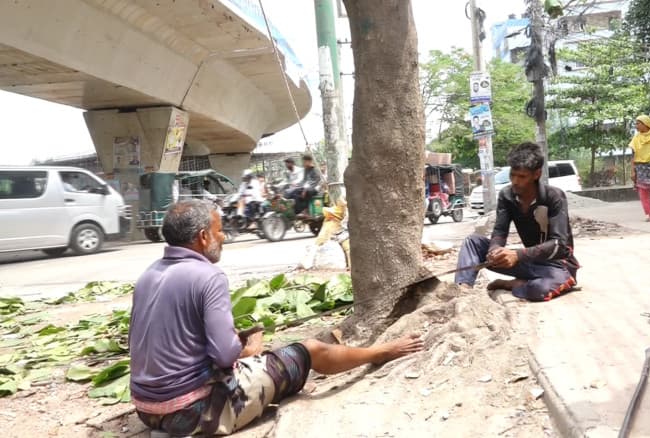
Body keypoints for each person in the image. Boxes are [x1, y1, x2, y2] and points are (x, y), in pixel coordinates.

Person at [129, 200, 424, 437]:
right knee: (308, 350)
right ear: (203, 236)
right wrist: (249, 349)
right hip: (195, 412)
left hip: (147, 410)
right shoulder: (208, 276)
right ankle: (380, 352)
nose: (224, 236)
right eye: (219, 230)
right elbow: (223, 355)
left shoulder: (147, 276)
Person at [454, 142, 579, 302]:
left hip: (557, 266)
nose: (515, 181)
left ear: (536, 174)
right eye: (512, 174)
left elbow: (559, 245)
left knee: (539, 290)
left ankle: (513, 284)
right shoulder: (507, 195)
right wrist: (495, 250)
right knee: (473, 242)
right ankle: (462, 291)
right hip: (528, 262)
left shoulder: (554, 196)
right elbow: (500, 231)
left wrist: (518, 255)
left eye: (522, 176)